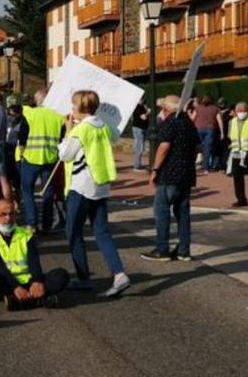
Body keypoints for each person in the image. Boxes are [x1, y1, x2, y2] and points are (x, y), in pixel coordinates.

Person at [56, 90, 131, 296]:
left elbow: (65, 155)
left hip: (81, 185)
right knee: (102, 232)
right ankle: (118, 273)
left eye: (73, 105)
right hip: (100, 183)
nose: (71, 109)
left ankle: (84, 278)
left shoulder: (82, 130)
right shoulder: (103, 126)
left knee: (73, 232)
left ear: (81, 107)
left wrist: (68, 131)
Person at [142, 95, 198, 262]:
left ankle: (162, 249)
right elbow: (197, 146)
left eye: (163, 109)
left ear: (166, 109)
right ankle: (183, 250)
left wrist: (155, 170)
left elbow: (164, 147)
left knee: (162, 210)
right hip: (186, 173)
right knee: (183, 212)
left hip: (169, 173)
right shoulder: (188, 122)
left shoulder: (169, 122)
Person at [16, 90, 63, 233]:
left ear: (36, 101)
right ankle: (47, 225)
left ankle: (32, 224)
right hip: (50, 159)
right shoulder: (58, 116)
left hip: (30, 159)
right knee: (48, 192)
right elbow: (62, 138)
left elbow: (22, 137)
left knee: (27, 191)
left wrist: (21, 154)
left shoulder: (30, 114)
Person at [192, 94, 224, 172]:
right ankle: (205, 167)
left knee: (197, 148)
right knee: (207, 149)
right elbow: (219, 121)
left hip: (198, 129)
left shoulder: (197, 108)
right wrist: (222, 132)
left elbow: (192, 119)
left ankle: (196, 164)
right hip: (210, 129)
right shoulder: (215, 108)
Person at [131, 102, 151, 170]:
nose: (143, 101)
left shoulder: (143, 107)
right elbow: (144, 117)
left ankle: (138, 163)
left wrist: (147, 111)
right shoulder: (137, 107)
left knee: (141, 146)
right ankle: (136, 165)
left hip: (143, 128)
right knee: (139, 147)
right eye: (142, 98)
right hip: (138, 128)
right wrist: (148, 112)